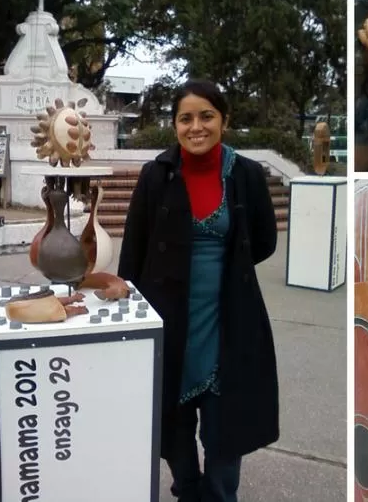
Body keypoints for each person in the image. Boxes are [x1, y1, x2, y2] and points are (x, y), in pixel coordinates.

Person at [118, 79, 280, 502]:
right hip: (171, 322)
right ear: (174, 125)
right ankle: (187, 492)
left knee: (226, 427)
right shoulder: (157, 175)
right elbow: (133, 251)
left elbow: (262, 241)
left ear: (224, 120)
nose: (196, 127)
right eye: (185, 118)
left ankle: (221, 496)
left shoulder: (246, 175)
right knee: (173, 425)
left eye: (206, 116)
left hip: (230, 321)